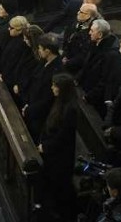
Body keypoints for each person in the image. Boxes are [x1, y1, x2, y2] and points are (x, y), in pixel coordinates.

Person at [37, 73, 79, 221]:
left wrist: (46, 147)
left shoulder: (70, 109)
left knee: (57, 184)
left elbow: (63, 137)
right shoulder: (59, 101)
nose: (52, 88)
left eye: (55, 86)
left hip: (60, 156)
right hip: (51, 149)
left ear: (63, 89)